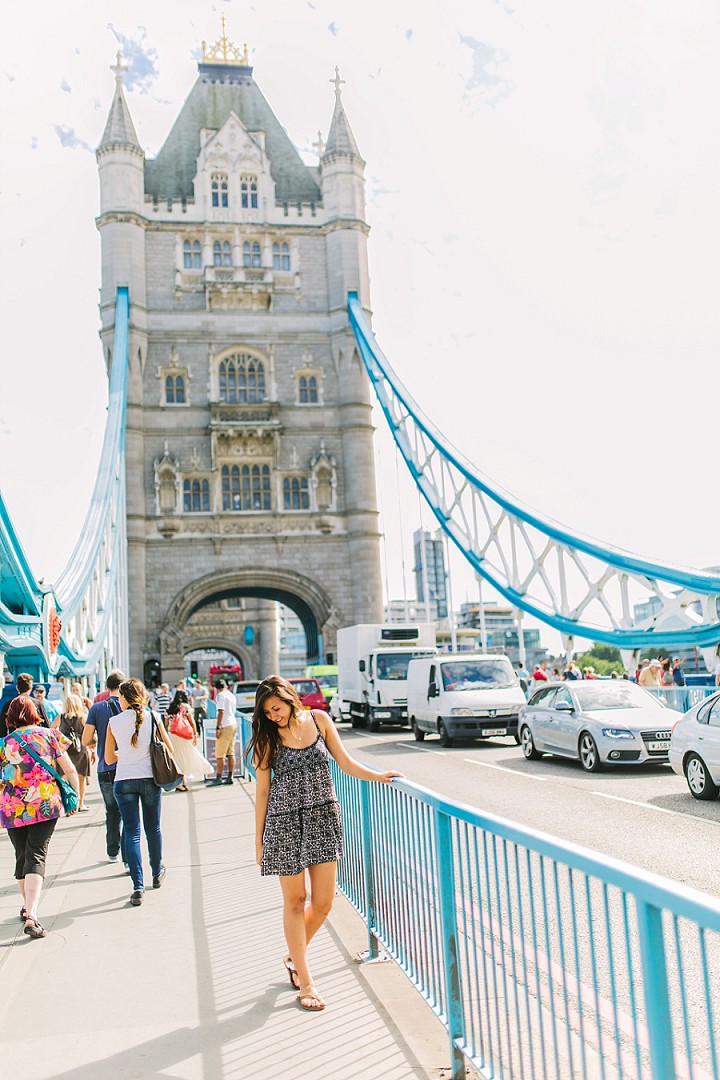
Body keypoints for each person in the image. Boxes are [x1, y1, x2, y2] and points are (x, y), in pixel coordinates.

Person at [249, 675, 403, 1012]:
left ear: (291, 699)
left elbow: (345, 762)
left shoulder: (320, 721)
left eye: (277, 708)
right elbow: (262, 791)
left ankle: (293, 955)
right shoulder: (266, 737)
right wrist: (258, 840)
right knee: (295, 901)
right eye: (267, 712)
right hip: (284, 823)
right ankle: (306, 980)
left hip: (322, 819)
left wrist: (379, 776)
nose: (273, 716)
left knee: (323, 903)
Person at [0, 693, 79, 938]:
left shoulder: (4, 744)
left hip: (12, 807)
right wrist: (75, 797)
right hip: (45, 804)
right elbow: (70, 769)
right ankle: (32, 914)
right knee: (36, 855)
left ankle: (27, 908)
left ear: (10, 717)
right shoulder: (50, 736)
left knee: (22, 855)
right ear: (36, 714)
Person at [105, 677, 172, 906]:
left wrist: (124, 753)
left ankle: (137, 886)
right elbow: (168, 748)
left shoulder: (114, 721)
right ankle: (157, 872)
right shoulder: (154, 716)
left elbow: (108, 758)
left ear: (124, 698)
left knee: (132, 832)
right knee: (153, 828)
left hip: (123, 781)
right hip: (150, 779)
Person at [83, 670, 126, 863]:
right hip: (128, 765)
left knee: (112, 810)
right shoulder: (131, 707)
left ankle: (112, 852)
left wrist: (97, 739)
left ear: (107, 688)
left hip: (105, 767)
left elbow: (85, 739)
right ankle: (129, 856)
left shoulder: (96, 708)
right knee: (129, 811)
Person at [165, 689, 213, 791]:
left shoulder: (169, 707)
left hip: (172, 735)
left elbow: (166, 725)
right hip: (184, 736)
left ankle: (181, 783)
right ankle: (181, 783)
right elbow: (192, 723)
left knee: (176, 759)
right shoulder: (186, 707)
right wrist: (195, 735)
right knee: (187, 757)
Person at [55, 693, 93, 811]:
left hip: (65, 752)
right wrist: (92, 750)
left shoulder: (60, 718)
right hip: (80, 750)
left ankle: (67, 804)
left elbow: (51, 730)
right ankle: (80, 803)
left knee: (64, 778)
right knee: (81, 778)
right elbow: (89, 734)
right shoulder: (83, 717)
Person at [209, 679, 238, 786]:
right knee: (231, 752)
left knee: (220, 753)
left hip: (225, 725)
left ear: (216, 688)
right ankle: (230, 777)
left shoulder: (220, 696)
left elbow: (221, 711)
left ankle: (218, 778)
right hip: (233, 723)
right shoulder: (231, 695)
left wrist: (218, 728)